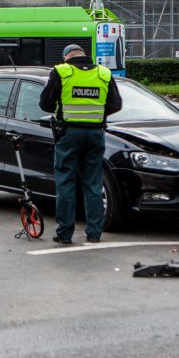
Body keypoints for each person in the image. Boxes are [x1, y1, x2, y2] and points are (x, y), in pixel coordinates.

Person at [39, 44, 122, 244]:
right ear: (84, 55)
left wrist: (62, 107)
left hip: (68, 134)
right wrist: (97, 115)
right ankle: (94, 233)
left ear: (66, 57)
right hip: (95, 134)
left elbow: (45, 104)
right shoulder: (104, 73)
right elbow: (116, 104)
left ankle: (64, 233)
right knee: (93, 184)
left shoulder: (61, 72)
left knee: (66, 183)